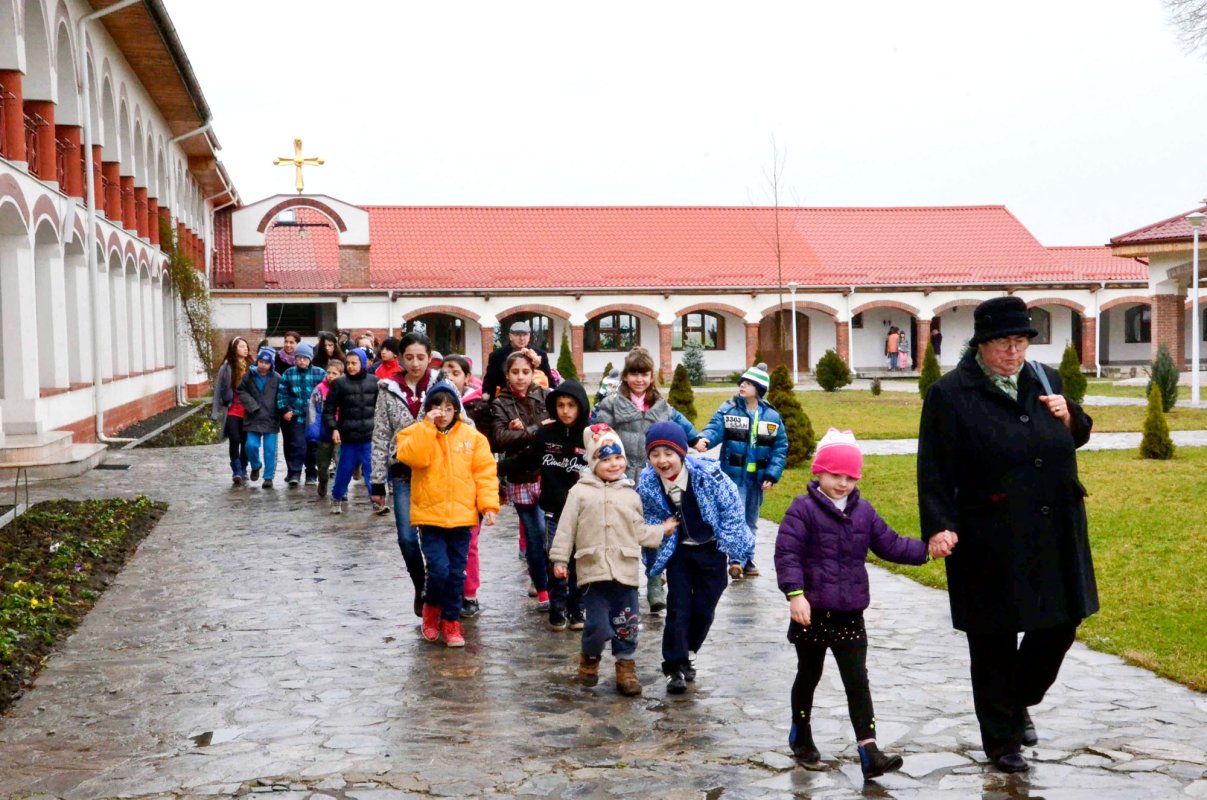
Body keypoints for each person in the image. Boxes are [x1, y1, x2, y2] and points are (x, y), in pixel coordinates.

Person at [917, 295, 1097, 774]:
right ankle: (1002, 741)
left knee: (1060, 624)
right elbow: (934, 468)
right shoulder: (950, 394)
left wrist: (1071, 416)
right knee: (993, 637)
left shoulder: (1045, 379)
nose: (1014, 352)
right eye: (1003, 343)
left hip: (1055, 528)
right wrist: (939, 524)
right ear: (981, 345)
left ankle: (1015, 701)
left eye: (1021, 341)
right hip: (988, 533)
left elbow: (1076, 434)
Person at [774, 428, 943, 779]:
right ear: (819, 472)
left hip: (850, 612)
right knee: (809, 675)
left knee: (857, 680)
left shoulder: (863, 512)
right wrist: (795, 594)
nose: (843, 483)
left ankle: (869, 750)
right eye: (836, 475)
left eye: (850, 477)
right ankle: (800, 732)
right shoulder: (802, 509)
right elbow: (787, 553)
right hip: (811, 612)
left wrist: (926, 551)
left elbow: (891, 544)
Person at [549, 424, 678, 695]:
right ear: (593, 462)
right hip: (593, 572)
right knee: (596, 626)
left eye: (618, 458)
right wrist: (559, 559)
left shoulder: (631, 495)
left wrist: (661, 531)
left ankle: (626, 668)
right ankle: (590, 658)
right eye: (606, 459)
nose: (614, 464)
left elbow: (639, 531)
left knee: (627, 624)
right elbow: (566, 528)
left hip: (625, 571)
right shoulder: (579, 493)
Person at [636, 422, 753, 695]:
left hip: (710, 548)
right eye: (655, 454)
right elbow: (648, 516)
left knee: (704, 607)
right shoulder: (649, 484)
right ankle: (673, 666)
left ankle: (688, 652)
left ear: (681, 453)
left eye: (668, 453)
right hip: (679, 551)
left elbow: (731, 510)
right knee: (678, 607)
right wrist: (659, 534)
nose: (662, 461)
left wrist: (736, 548)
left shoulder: (709, 477)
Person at [592, 347, 700, 613]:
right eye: (634, 374)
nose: (639, 379)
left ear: (652, 377)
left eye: (645, 374)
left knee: (654, 528)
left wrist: (696, 439)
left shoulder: (662, 406)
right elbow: (599, 435)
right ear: (626, 376)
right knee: (621, 530)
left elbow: (681, 425)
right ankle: (619, 583)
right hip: (622, 477)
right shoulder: (611, 405)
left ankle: (654, 581)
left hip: (654, 478)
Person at [395, 380, 500, 647]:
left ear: (457, 410)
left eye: (449, 408)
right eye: (437, 408)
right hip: (430, 518)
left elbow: (485, 473)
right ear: (428, 409)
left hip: (462, 518)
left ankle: (451, 621)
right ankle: (431, 609)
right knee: (438, 570)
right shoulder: (414, 433)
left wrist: (488, 505)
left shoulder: (473, 438)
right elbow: (414, 457)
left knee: (456, 573)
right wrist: (427, 427)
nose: (443, 413)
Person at [695, 366, 788, 579]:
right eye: (741, 382)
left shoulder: (772, 416)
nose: (742, 386)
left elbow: (780, 447)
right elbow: (714, 428)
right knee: (735, 517)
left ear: (759, 389)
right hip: (734, 476)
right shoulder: (729, 409)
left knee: (751, 520)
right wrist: (704, 440)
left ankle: (747, 559)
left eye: (748, 383)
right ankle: (736, 560)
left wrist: (771, 475)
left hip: (757, 479)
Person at [369, 332, 437, 615]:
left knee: (433, 538)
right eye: (409, 357)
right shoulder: (388, 389)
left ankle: (436, 591)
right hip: (402, 472)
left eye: (421, 357)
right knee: (407, 538)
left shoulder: (440, 385)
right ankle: (420, 585)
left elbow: (462, 423)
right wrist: (377, 481)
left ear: (429, 358)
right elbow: (381, 434)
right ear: (400, 358)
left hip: (434, 471)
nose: (415, 363)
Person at [490, 350, 552, 611]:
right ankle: (542, 587)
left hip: (547, 472)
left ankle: (555, 582)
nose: (520, 377)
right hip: (520, 476)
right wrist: (535, 430)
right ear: (507, 374)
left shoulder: (545, 395)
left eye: (525, 372)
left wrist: (524, 431)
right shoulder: (500, 403)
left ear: (533, 372)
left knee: (551, 533)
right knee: (534, 534)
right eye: (515, 372)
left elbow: (556, 425)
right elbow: (500, 438)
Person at [537, 379, 591, 632]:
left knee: (579, 560)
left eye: (571, 405)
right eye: (561, 405)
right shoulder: (546, 435)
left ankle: (577, 606)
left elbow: (608, 466)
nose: (566, 411)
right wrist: (492, 469)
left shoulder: (591, 436)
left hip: (584, 513)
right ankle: (557, 605)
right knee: (555, 558)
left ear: (581, 407)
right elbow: (525, 459)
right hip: (555, 512)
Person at [441, 355, 490, 617]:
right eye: (445, 372)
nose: (450, 377)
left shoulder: (479, 409)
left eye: (455, 372)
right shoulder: (433, 408)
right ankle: (446, 592)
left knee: (469, 543)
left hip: (469, 489)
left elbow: (486, 457)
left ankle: (469, 592)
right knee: (441, 547)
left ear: (467, 378)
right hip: (440, 489)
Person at [324, 348, 379, 514]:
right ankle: (337, 498)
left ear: (363, 363)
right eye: (348, 363)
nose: (350, 366)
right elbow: (329, 409)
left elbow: (382, 408)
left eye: (354, 363)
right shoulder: (339, 384)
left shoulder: (375, 382)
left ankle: (378, 500)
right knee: (345, 469)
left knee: (372, 470)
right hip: (348, 436)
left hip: (370, 435)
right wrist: (333, 428)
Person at [277, 342, 326, 487]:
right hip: (296, 415)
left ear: (310, 359)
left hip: (314, 416)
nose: (302, 361)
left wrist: (322, 411)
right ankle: (294, 472)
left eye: (305, 358)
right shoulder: (289, 373)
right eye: (299, 358)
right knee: (297, 444)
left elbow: (326, 392)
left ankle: (311, 472)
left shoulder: (319, 373)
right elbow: (282, 394)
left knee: (313, 444)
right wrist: (285, 409)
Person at [237, 346, 282, 489]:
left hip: (271, 418)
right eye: (261, 361)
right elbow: (241, 391)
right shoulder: (249, 376)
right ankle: (256, 465)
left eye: (267, 363)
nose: (263, 365)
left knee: (270, 449)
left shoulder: (277, 378)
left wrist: (282, 409)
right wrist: (252, 405)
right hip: (253, 416)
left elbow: (282, 395)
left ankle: (268, 477)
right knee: (250, 445)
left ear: (271, 364)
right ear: (257, 361)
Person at [212, 336, 251, 485]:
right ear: (234, 349)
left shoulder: (252, 366)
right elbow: (218, 390)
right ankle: (236, 470)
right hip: (232, 409)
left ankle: (244, 467)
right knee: (234, 439)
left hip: (248, 411)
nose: (245, 349)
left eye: (246, 346)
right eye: (241, 346)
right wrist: (214, 412)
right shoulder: (227, 367)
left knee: (246, 442)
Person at [483, 320, 553, 400]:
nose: (522, 338)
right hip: (505, 399)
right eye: (517, 335)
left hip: (534, 399)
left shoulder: (540, 354)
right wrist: (489, 400)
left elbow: (549, 378)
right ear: (510, 336)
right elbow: (490, 382)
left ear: (529, 336)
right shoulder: (497, 356)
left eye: (525, 335)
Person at [307, 358, 343, 499]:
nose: (330, 376)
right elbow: (312, 411)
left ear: (341, 374)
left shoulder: (345, 388)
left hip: (341, 432)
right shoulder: (319, 389)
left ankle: (342, 489)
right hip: (324, 432)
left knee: (341, 462)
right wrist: (313, 430)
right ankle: (323, 481)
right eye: (328, 372)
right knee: (322, 465)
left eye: (334, 373)